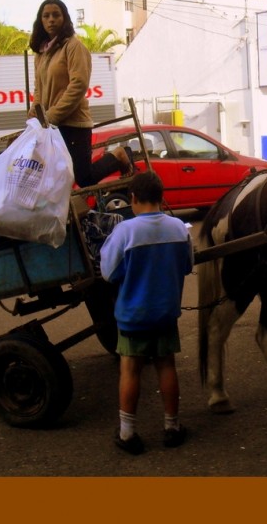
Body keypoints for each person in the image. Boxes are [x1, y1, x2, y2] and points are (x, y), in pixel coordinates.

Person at [98, 171, 194, 455]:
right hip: (165, 313)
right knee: (166, 365)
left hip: (133, 316)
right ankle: (172, 427)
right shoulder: (179, 229)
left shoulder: (125, 231)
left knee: (131, 368)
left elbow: (109, 273)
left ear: (134, 199)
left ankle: (128, 434)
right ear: (162, 198)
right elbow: (188, 266)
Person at [28, 0, 134, 188]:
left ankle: (118, 155)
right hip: (52, 126)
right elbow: (38, 87)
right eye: (46, 16)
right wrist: (35, 109)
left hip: (74, 124)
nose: (51, 19)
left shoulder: (73, 47)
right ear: (40, 21)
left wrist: (51, 116)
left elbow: (79, 85)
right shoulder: (41, 53)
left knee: (83, 178)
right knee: (56, 178)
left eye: (56, 15)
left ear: (65, 18)